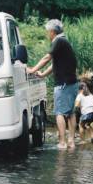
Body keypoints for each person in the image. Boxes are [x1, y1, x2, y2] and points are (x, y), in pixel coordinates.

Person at [27, 19, 78, 149]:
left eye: (47, 32)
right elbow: (55, 63)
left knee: (60, 113)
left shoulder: (58, 41)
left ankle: (62, 142)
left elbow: (47, 58)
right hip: (72, 82)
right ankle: (71, 141)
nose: (47, 35)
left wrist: (32, 70)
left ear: (52, 31)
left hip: (63, 84)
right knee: (71, 112)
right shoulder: (65, 41)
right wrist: (43, 74)